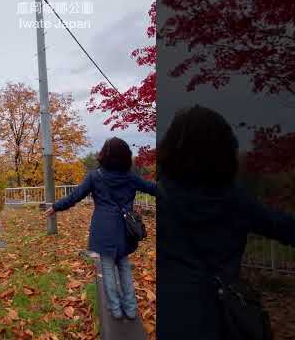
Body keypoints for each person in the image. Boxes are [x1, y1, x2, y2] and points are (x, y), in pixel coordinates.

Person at [157, 105, 295, 339]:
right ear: (226, 151)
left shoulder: (161, 195)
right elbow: (283, 226)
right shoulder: (235, 199)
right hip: (223, 317)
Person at [44, 137, 156, 320]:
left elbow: (75, 196)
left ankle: (116, 310)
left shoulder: (95, 177)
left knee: (107, 267)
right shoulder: (130, 177)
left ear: (104, 155)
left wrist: (56, 207)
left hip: (103, 229)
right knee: (124, 266)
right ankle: (131, 308)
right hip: (126, 229)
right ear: (126, 156)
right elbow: (154, 189)